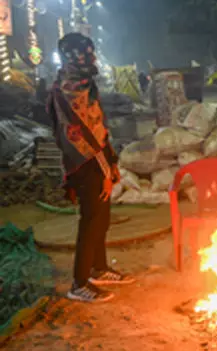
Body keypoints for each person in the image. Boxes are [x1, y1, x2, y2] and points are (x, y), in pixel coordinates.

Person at [47, 33, 135, 303]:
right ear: (74, 58)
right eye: (87, 54)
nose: (93, 59)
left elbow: (98, 126)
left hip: (98, 159)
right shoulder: (68, 89)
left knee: (102, 219)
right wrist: (104, 168)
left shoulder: (84, 84)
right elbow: (81, 137)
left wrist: (111, 160)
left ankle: (99, 268)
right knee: (91, 221)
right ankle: (80, 283)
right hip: (84, 163)